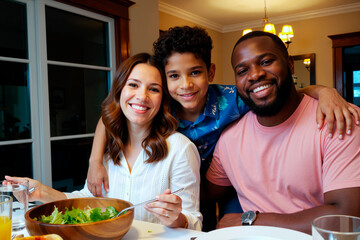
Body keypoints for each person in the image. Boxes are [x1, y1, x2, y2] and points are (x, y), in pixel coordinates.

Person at [86, 26, 359, 231]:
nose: (186, 85)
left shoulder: (233, 99)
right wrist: (95, 160)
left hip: (221, 183)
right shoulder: (160, 103)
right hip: (182, 182)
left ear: (211, 72)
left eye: (195, 72)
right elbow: (113, 114)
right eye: (173, 76)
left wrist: (324, 92)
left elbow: (275, 93)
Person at [5, 53, 202, 230]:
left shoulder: (180, 148)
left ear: (163, 99)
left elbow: (194, 222)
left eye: (154, 89)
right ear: (119, 91)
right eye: (133, 85)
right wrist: (42, 192)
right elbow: (90, 200)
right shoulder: (108, 148)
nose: (142, 96)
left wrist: (176, 218)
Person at [205, 31, 360, 234]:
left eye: (267, 61)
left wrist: (251, 221)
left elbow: (345, 217)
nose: (254, 74)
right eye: (242, 71)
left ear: (290, 64)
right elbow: (204, 194)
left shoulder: (337, 118)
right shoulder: (229, 139)